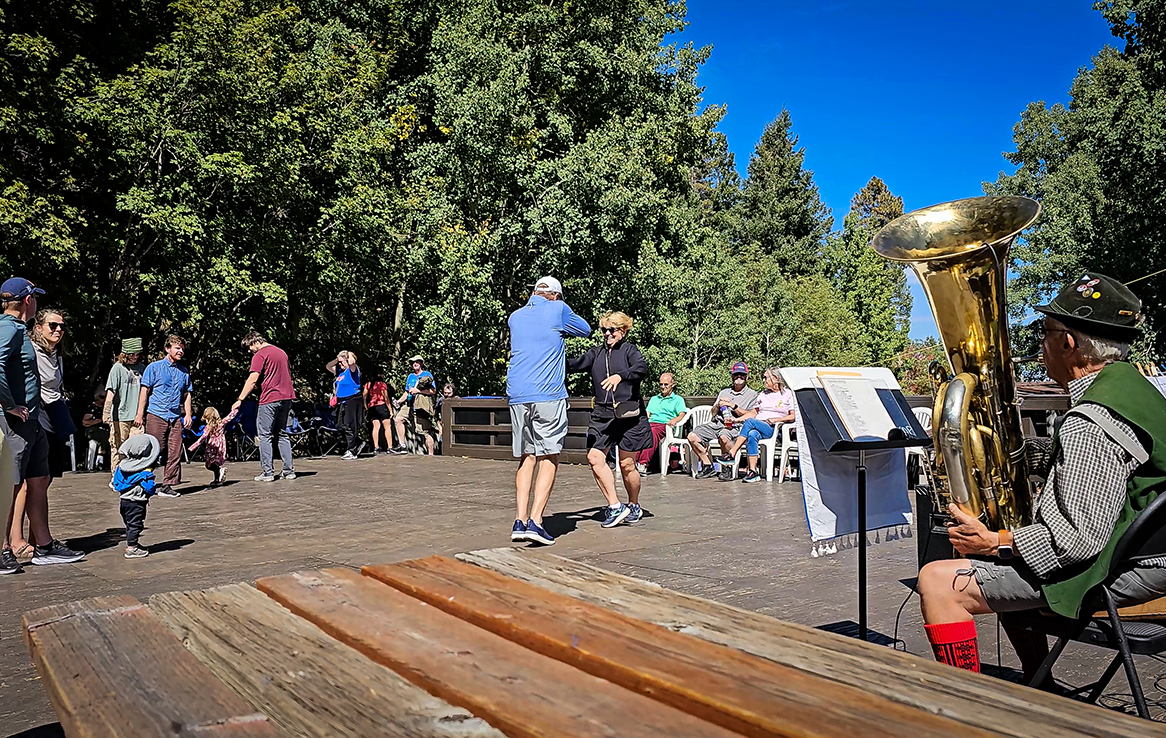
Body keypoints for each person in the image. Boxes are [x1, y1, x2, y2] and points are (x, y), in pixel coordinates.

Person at [918, 273, 1166, 678]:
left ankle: (965, 706)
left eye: (1045, 331)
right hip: (1148, 555)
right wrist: (1018, 454)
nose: (1040, 343)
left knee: (938, 581)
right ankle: (1039, 680)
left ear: (1069, 343)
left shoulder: (1091, 422)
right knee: (998, 549)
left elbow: (1075, 543)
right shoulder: (1134, 390)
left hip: (1128, 570)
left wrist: (996, 540)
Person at [0, 278, 83, 574]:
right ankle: (5, 547)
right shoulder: (8, 329)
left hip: (35, 420)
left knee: (39, 479)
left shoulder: (21, 332)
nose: (59, 330)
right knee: (10, 483)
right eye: (34, 297)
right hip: (16, 421)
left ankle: (44, 546)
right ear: (27, 300)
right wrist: (9, 404)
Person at [506, 276, 590, 545]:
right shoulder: (558, 309)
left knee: (527, 455)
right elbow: (585, 329)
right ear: (555, 295)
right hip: (548, 394)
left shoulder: (515, 317)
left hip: (517, 395)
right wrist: (563, 309)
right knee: (549, 455)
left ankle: (519, 520)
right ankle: (536, 521)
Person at [568, 311, 650, 528]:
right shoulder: (596, 353)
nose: (606, 334)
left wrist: (620, 376)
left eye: (611, 330)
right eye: (604, 330)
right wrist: (549, 356)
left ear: (622, 331)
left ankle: (634, 504)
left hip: (629, 415)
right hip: (602, 415)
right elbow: (575, 364)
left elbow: (640, 369)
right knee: (595, 458)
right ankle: (615, 507)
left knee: (626, 465)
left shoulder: (630, 351)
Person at [232, 331, 296, 481]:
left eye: (249, 348)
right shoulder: (281, 353)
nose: (249, 351)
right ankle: (288, 470)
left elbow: (253, 379)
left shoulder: (260, 355)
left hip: (270, 398)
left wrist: (240, 399)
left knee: (265, 435)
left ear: (255, 342)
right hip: (287, 398)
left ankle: (268, 472)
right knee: (282, 434)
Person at [135, 334, 192, 496]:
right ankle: (143, 481)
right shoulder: (154, 367)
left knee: (175, 451)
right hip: (156, 414)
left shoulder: (183, 372)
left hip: (174, 416)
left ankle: (168, 485)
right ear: (168, 349)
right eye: (177, 348)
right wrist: (139, 414)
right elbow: (144, 391)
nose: (181, 351)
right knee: (153, 450)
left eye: (182, 348)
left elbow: (187, 394)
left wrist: (187, 413)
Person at [720, 367, 795, 483]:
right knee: (752, 434)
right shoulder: (763, 394)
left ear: (775, 379)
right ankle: (753, 472)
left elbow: (793, 416)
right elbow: (753, 413)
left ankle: (732, 453)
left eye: (766, 377)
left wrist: (777, 419)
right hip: (760, 426)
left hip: (775, 428)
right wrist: (736, 420)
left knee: (750, 423)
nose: (763, 380)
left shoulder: (787, 394)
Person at [686, 362, 759, 479]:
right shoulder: (724, 392)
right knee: (692, 436)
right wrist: (718, 406)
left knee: (723, 437)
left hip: (736, 425)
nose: (738, 377)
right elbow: (713, 413)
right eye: (736, 374)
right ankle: (708, 465)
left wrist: (733, 406)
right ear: (732, 376)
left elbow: (751, 414)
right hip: (717, 423)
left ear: (746, 376)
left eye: (741, 374)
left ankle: (727, 468)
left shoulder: (753, 394)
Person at [112, 432, 161, 559]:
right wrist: (151, 489)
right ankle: (132, 548)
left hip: (124, 501)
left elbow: (115, 483)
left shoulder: (121, 469)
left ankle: (134, 543)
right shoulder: (144, 473)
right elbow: (150, 487)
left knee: (129, 524)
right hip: (137, 503)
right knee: (136, 525)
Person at [104, 337, 145, 486]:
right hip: (119, 416)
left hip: (137, 416)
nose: (135, 356)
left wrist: (142, 412)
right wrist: (106, 412)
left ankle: (133, 476)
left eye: (137, 353)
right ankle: (116, 477)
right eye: (132, 354)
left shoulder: (142, 368)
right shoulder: (117, 368)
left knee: (137, 448)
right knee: (118, 447)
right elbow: (111, 390)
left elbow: (145, 391)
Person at [634, 373, 687, 474]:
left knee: (653, 432)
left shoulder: (678, 400)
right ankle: (633, 461)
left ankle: (643, 463)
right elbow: (647, 413)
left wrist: (675, 419)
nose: (663, 387)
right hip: (651, 423)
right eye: (661, 384)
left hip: (666, 425)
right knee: (638, 430)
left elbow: (682, 414)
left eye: (666, 384)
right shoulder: (654, 399)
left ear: (673, 384)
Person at [392, 356, 436, 454]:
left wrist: (418, 391)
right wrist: (399, 401)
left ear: (421, 363)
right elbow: (407, 392)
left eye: (417, 362)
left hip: (421, 406)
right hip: (409, 405)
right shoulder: (410, 376)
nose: (415, 364)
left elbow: (433, 391)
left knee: (425, 432)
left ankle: (431, 455)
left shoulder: (427, 374)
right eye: (413, 362)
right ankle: (402, 446)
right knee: (398, 419)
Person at [188, 406, 238, 486]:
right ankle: (217, 479)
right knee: (215, 463)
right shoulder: (221, 423)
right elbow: (230, 417)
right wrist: (236, 409)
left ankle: (220, 470)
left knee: (209, 465)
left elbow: (203, 438)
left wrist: (193, 447)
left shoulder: (208, 427)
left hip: (212, 446)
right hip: (221, 445)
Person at [327, 351, 362, 459]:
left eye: (342, 362)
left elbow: (352, 362)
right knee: (341, 424)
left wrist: (349, 353)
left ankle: (352, 449)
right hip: (342, 402)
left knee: (349, 424)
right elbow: (328, 366)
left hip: (352, 399)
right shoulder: (340, 373)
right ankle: (358, 443)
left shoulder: (352, 371)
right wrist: (338, 359)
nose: (340, 364)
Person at [363, 371, 392, 454]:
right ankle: (390, 447)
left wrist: (366, 406)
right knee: (387, 426)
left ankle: (376, 447)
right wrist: (390, 409)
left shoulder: (368, 384)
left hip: (372, 407)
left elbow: (364, 397)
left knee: (376, 427)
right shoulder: (382, 384)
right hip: (381, 405)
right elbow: (385, 397)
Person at [82, 389, 110, 470]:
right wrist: (99, 420)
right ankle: (99, 460)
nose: (104, 399)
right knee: (103, 435)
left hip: (105, 430)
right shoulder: (92, 408)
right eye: (102, 397)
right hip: (93, 431)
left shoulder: (107, 408)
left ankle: (101, 461)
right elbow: (85, 422)